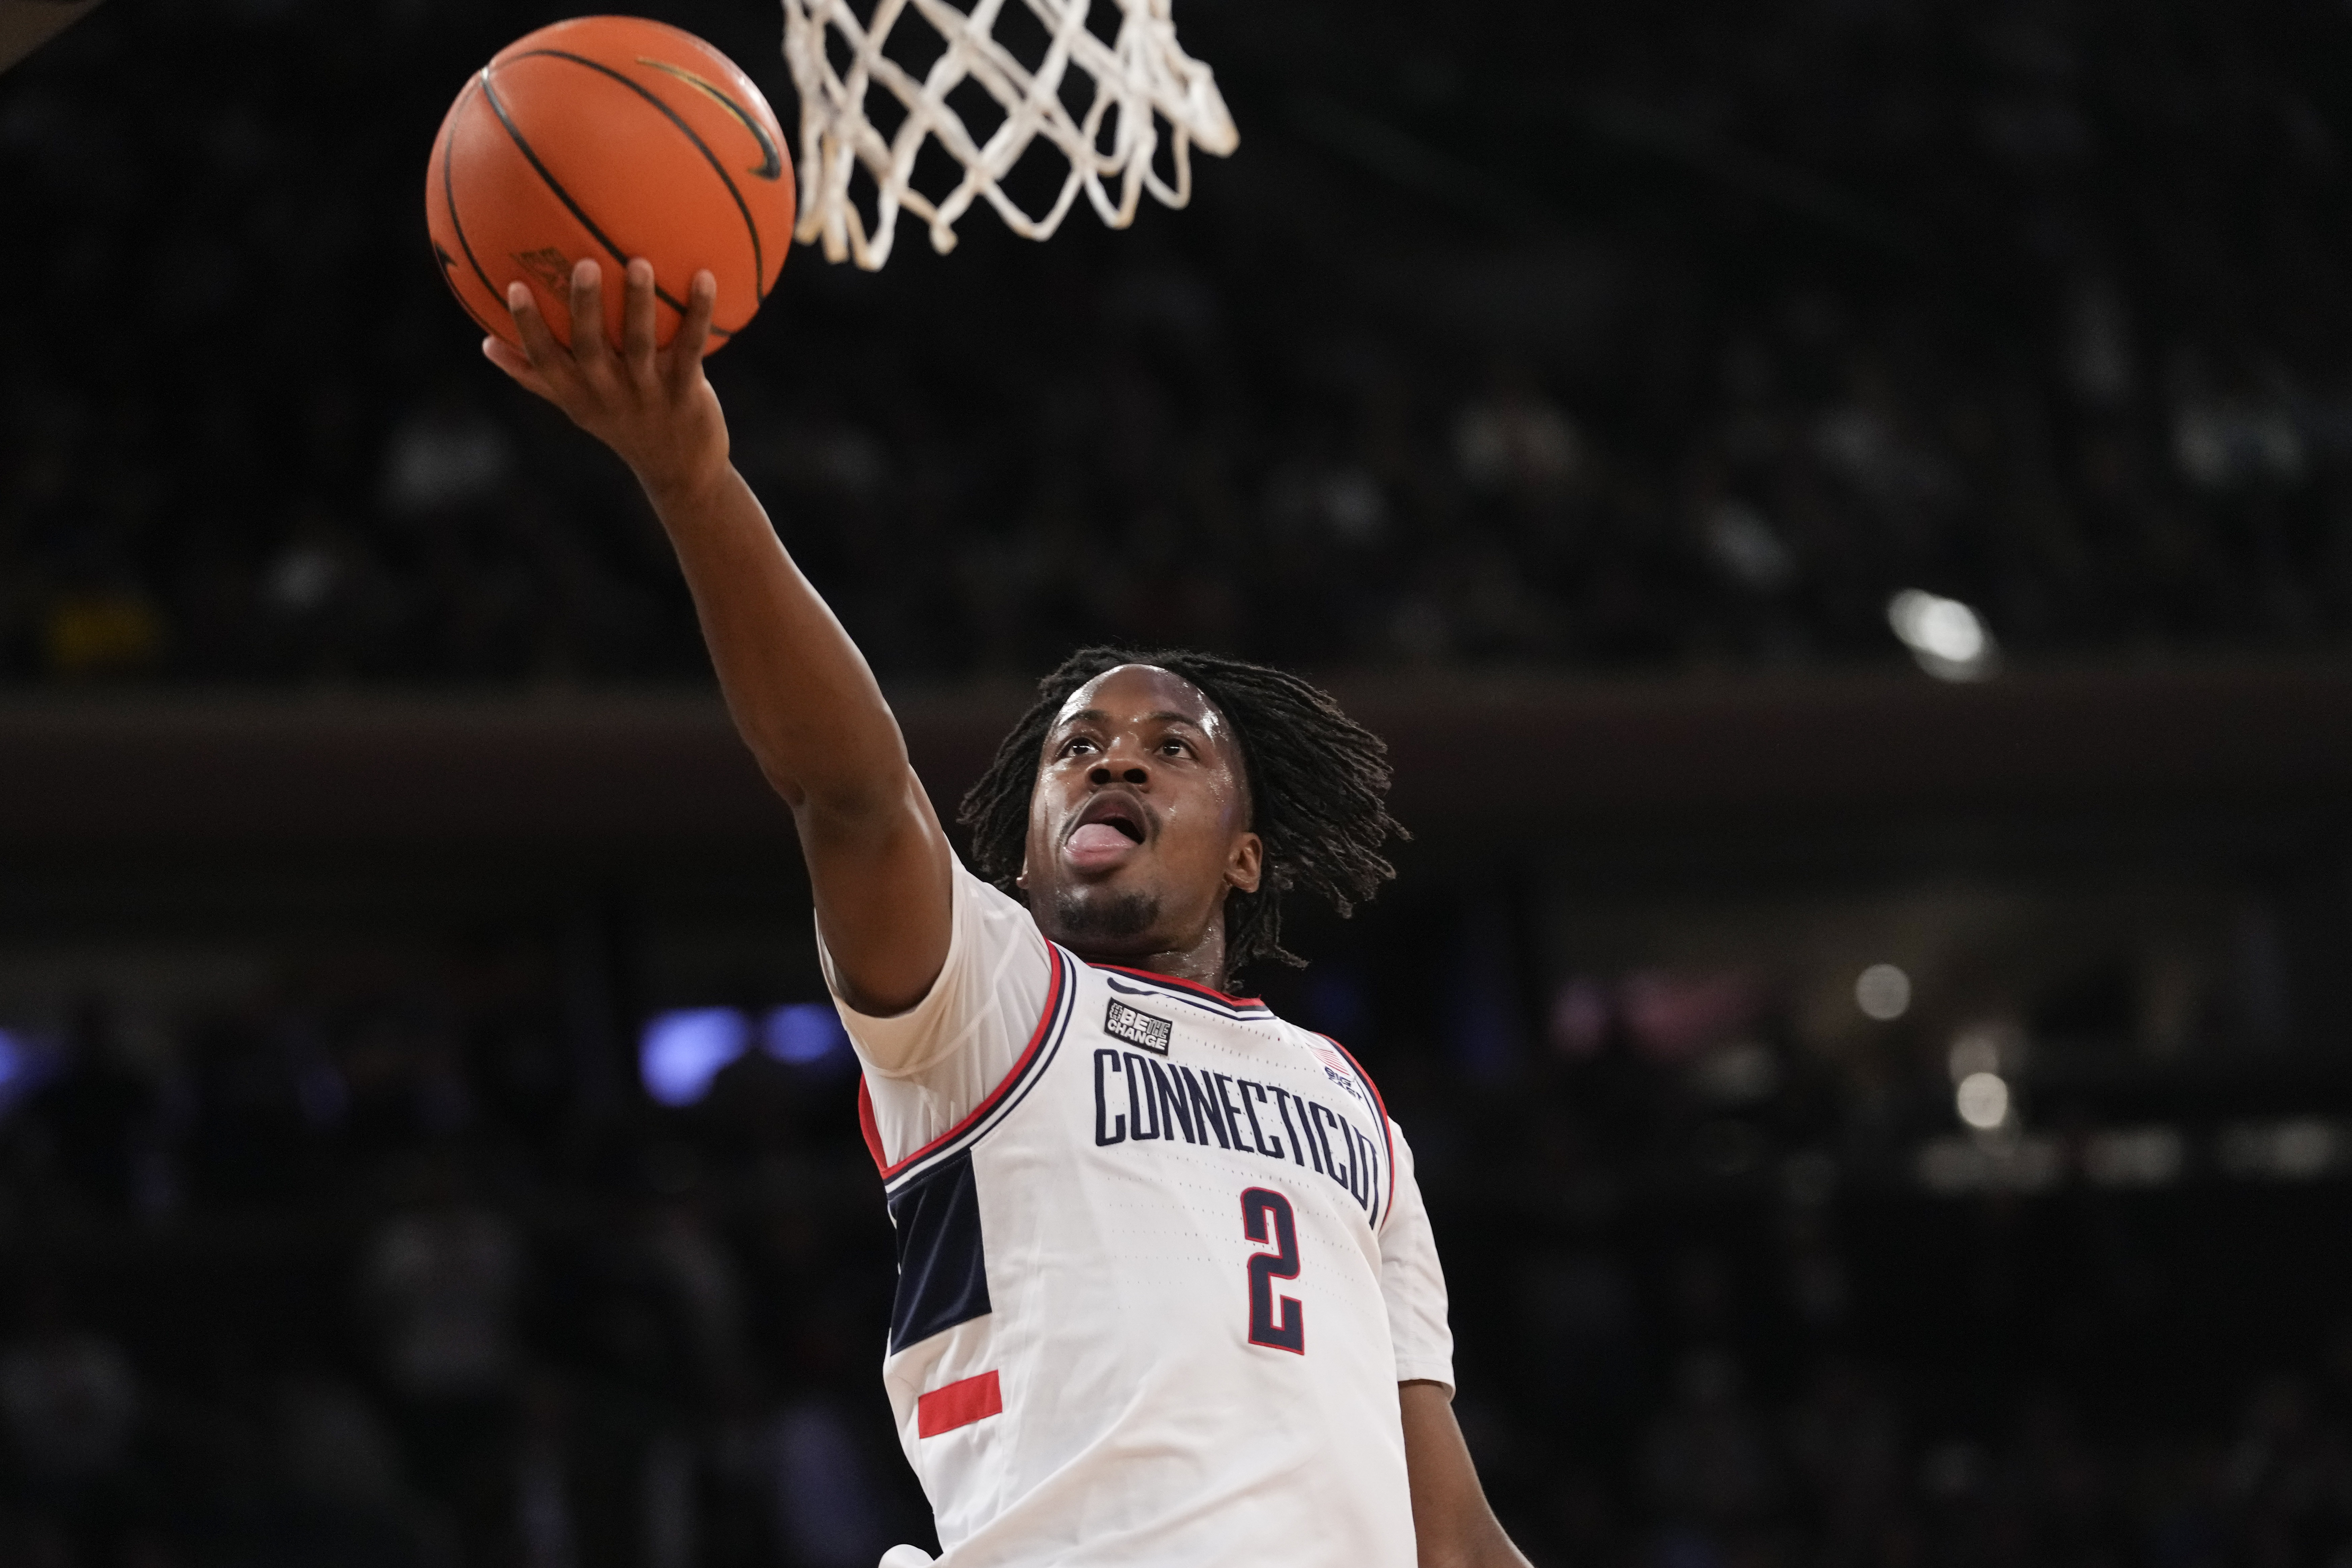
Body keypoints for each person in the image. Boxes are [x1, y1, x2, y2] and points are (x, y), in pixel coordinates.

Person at [484, 258, 1531, 1568]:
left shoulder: (1345, 1100)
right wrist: (693, 483)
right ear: (1027, 852)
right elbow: (852, 792)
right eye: (1078, 748)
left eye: (1174, 748)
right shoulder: (994, 998)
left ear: (1248, 858)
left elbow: (1449, 1526)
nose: (1116, 759)